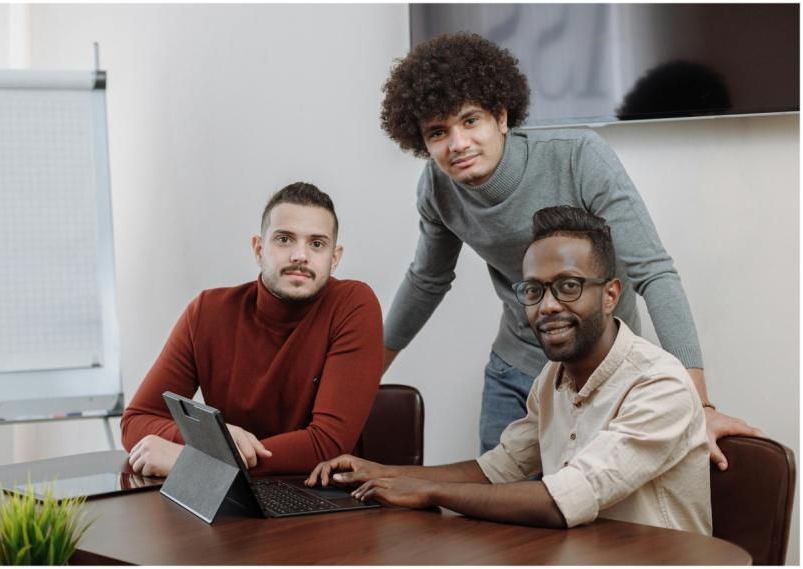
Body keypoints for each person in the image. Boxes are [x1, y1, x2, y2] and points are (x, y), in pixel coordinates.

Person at [378, 32, 760, 464]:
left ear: (501, 116)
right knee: (490, 515)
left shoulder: (578, 155)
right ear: (422, 142)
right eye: (438, 132)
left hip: (601, 365)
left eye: (470, 121)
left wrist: (700, 406)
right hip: (516, 366)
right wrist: (366, 376)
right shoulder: (436, 189)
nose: (458, 144)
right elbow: (426, 281)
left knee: (590, 515)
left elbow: (654, 272)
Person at [307, 206, 711, 534]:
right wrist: (385, 473)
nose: (547, 305)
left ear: (610, 295)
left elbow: (563, 499)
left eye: (568, 286)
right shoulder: (552, 380)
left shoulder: (659, 383)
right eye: (534, 290)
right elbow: (497, 470)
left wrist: (427, 491)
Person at [121, 182, 383, 477]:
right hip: (229, 502)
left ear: (334, 259)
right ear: (259, 249)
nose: (300, 255)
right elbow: (137, 420)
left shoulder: (353, 304)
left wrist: (202, 460)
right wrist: (216, 441)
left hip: (321, 501)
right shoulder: (207, 312)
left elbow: (327, 445)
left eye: (317, 244)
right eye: (284, 239)